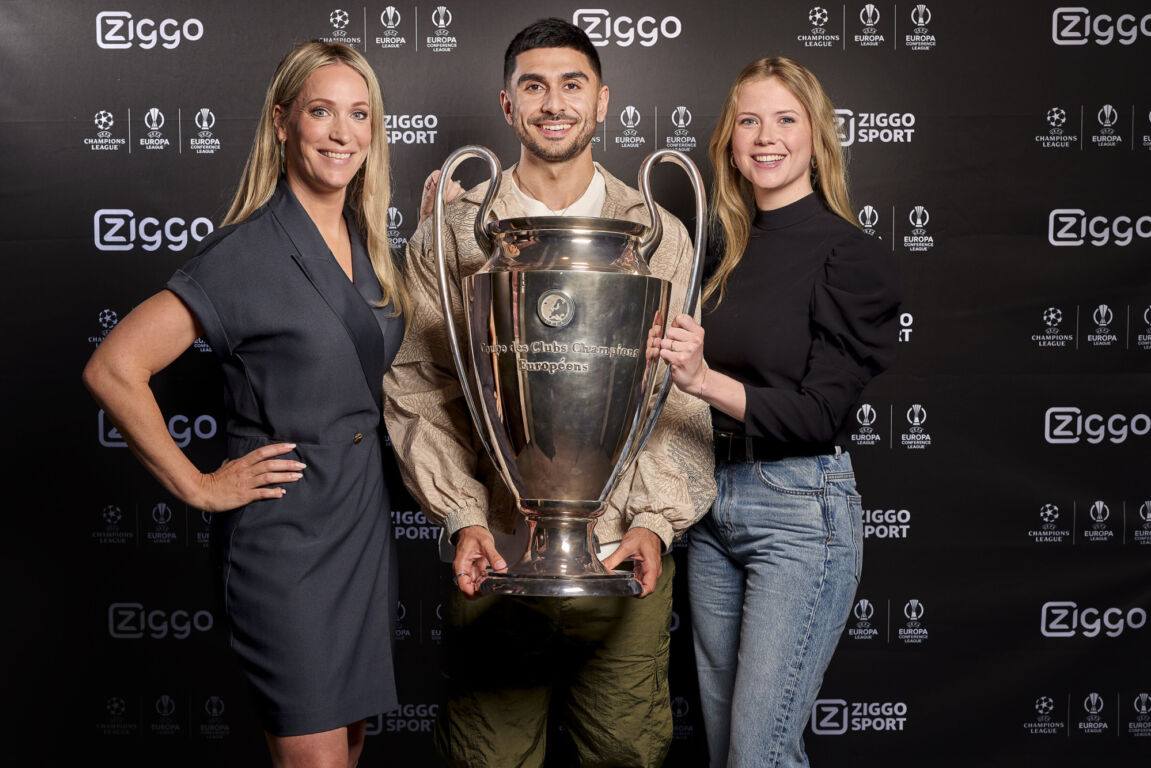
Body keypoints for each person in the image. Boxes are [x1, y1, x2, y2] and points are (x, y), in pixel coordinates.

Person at [382, 17, 715, 768]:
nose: (553, 102)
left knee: (624, 754)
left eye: (572, 85)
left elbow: (676, 396)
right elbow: (421, 391)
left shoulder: (657, 232)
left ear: (603, 104)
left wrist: (655, 525)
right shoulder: (459, 232)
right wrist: (464, 517)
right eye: (534, 86)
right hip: (495, 557)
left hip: (621, 559)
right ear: (507, 106)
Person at [82, 41, 404, 768]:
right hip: (285, 544)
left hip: (358, 530)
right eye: (321, 112)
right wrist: (198, 485)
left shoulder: (370, 247)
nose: (341, 132)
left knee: (345, 757)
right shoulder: (244, 253)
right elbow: (113, 368)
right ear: (283, 121)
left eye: (359, 115)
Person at [656, 57, 901, 767]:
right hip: (708, 510)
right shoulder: (717, 255)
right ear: (729, 139)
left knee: (757, 755)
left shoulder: (849, 257)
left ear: (817, 138)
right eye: (749, 120)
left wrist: (705, 381)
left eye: (785, 119)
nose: (766, 137)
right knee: (724, 748)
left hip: (798, 513)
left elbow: (820, 414)